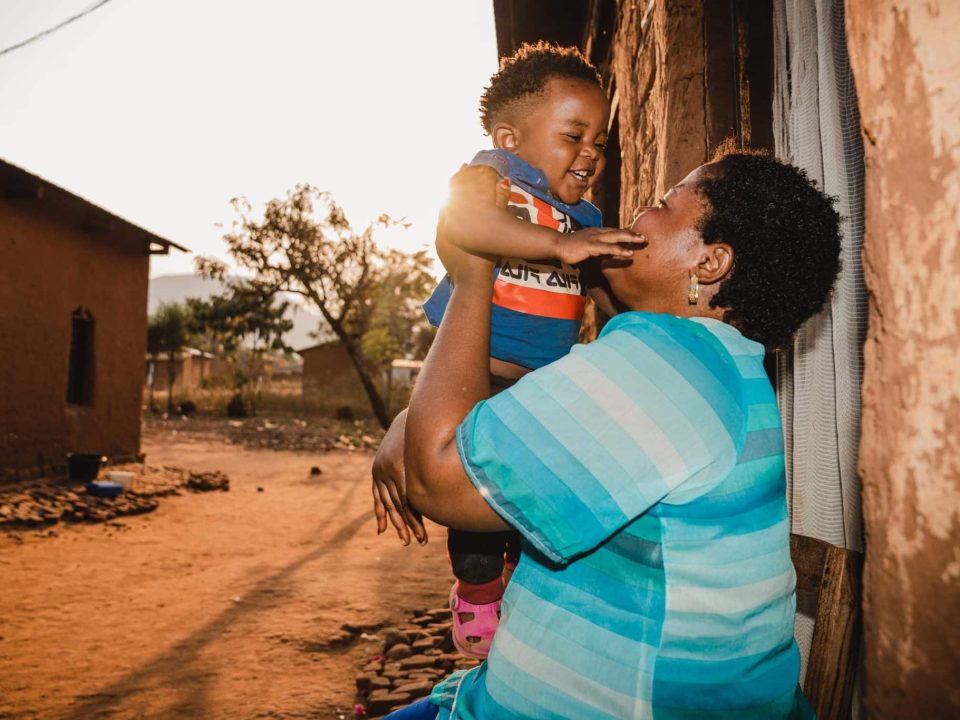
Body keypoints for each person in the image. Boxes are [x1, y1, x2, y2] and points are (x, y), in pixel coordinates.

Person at [372, 144, 842, 719]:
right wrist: (408, 421)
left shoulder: (665, 367)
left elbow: (437, 480)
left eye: (663, 205)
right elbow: (487, 426)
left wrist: (473, 274)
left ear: (710, 264)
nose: (639, 215)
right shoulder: (725, 369)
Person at [405, 41, 633, 659]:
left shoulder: (580, 216)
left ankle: (526, 592)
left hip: (543, 385)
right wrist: (559, 248)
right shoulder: (493, 179)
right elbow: (464, 227)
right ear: (510, 138)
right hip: (478, 379)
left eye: (600, 141)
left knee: (531, 497)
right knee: (473, 500)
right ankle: (476, 593)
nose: (591, 153)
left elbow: (600, 294)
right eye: (573, 135)